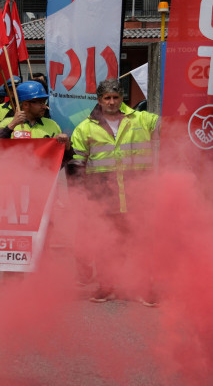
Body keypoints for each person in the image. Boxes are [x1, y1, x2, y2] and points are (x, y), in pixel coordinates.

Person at [69, 79, 159, 306]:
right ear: (99, 100)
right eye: (107, 98)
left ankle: (144, 288)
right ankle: (106, 286)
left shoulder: (142, 119)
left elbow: (172, 126)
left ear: (122, 99)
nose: (112, 102)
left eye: (116, 98)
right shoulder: (85, 128)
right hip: (103, 196)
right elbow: (77, 165)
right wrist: (80, 198)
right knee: (106, 243)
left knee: (141, 242)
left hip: (138, 195)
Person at [0, 81, 68, 144]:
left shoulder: (53, 124)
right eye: (40, 103)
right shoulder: (7, 123)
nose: (44, 107)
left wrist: (67, 145)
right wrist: (12, 126)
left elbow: (65, 157)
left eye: (44, 102)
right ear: (26, 104)